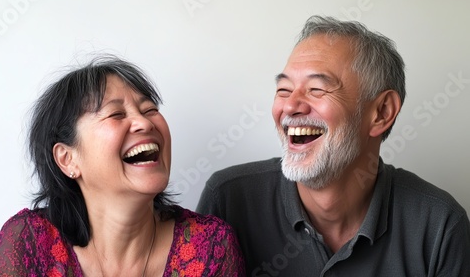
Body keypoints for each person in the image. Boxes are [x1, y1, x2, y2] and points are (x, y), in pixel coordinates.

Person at [197, 15, 470, 276]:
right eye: (283, 90)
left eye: (317, 89)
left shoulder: (440, 225)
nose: (290, 105)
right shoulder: (229, 200)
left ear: (382, 112)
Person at [0, 55, 245, 276]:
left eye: (149, 109)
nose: (145, 123)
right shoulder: (27, 242)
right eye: (116, 114)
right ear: (68, 159)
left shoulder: (210, 246)